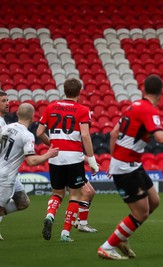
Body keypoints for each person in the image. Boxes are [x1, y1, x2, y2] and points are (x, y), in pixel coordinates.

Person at [97, 75, 163, 260]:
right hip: (126, 166)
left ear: (144, 89)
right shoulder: (148, 110)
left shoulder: (133, 106)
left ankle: (121, 237)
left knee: (154, 201)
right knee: (141, 212)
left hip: (131, 163)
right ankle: (108, 245)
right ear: (161, 92)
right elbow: (161, 138)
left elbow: (113, 133)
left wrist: (114, 159)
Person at [37, 78, 99, 242]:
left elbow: (39, 132)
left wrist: (52, 144)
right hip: (73, 157)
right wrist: (92, 160)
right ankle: (65, 234)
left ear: (64, 90)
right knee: (74, 195)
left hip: (55, 156)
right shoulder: (82, 109)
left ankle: (50, 215)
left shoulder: (51, 107)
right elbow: (85, 135)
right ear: (79, 92)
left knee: (57, 193)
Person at [0, 103, 59, 239]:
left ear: (17, 114)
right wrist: (49, 154)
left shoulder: (6, 127)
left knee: (23, 202)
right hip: (6, 177)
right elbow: (31, 161)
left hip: (8, 174)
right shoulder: (27, 135)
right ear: (32, 118)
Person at [0, 91, 32, 241]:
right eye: (3, 101)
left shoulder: (6, 123)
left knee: (23, 201)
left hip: (8, 170)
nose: (7, 103)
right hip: (3, 171)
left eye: (7, 100)